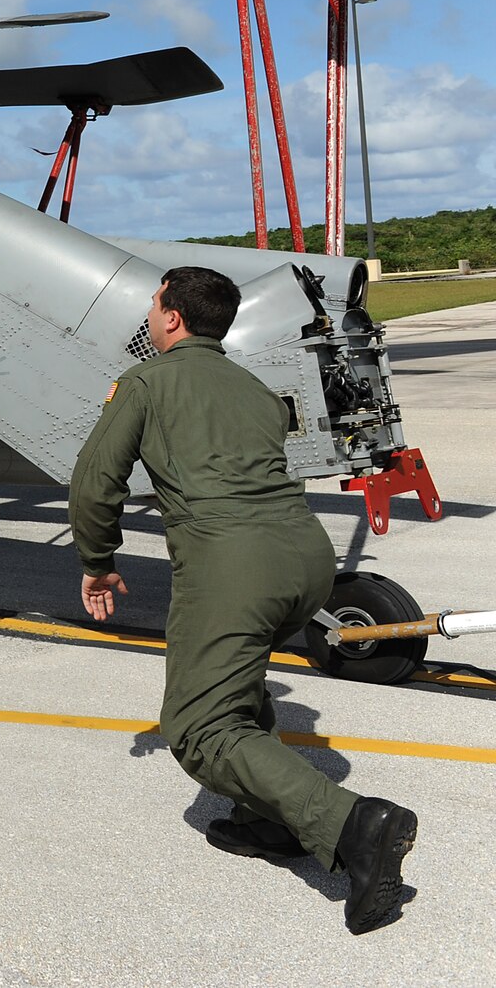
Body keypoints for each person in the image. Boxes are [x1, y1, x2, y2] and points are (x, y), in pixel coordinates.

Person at [70, 266, 417, 935]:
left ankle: (356, 825)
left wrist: (97, 561)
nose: (149, 311)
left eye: (153, 302)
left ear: (171, 317)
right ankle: (271, 821)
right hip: (308, 560)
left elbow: (94, 484)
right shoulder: (254, 386)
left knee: (200, 728)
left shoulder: (145, 381)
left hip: (235, 565)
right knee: (238, 677)